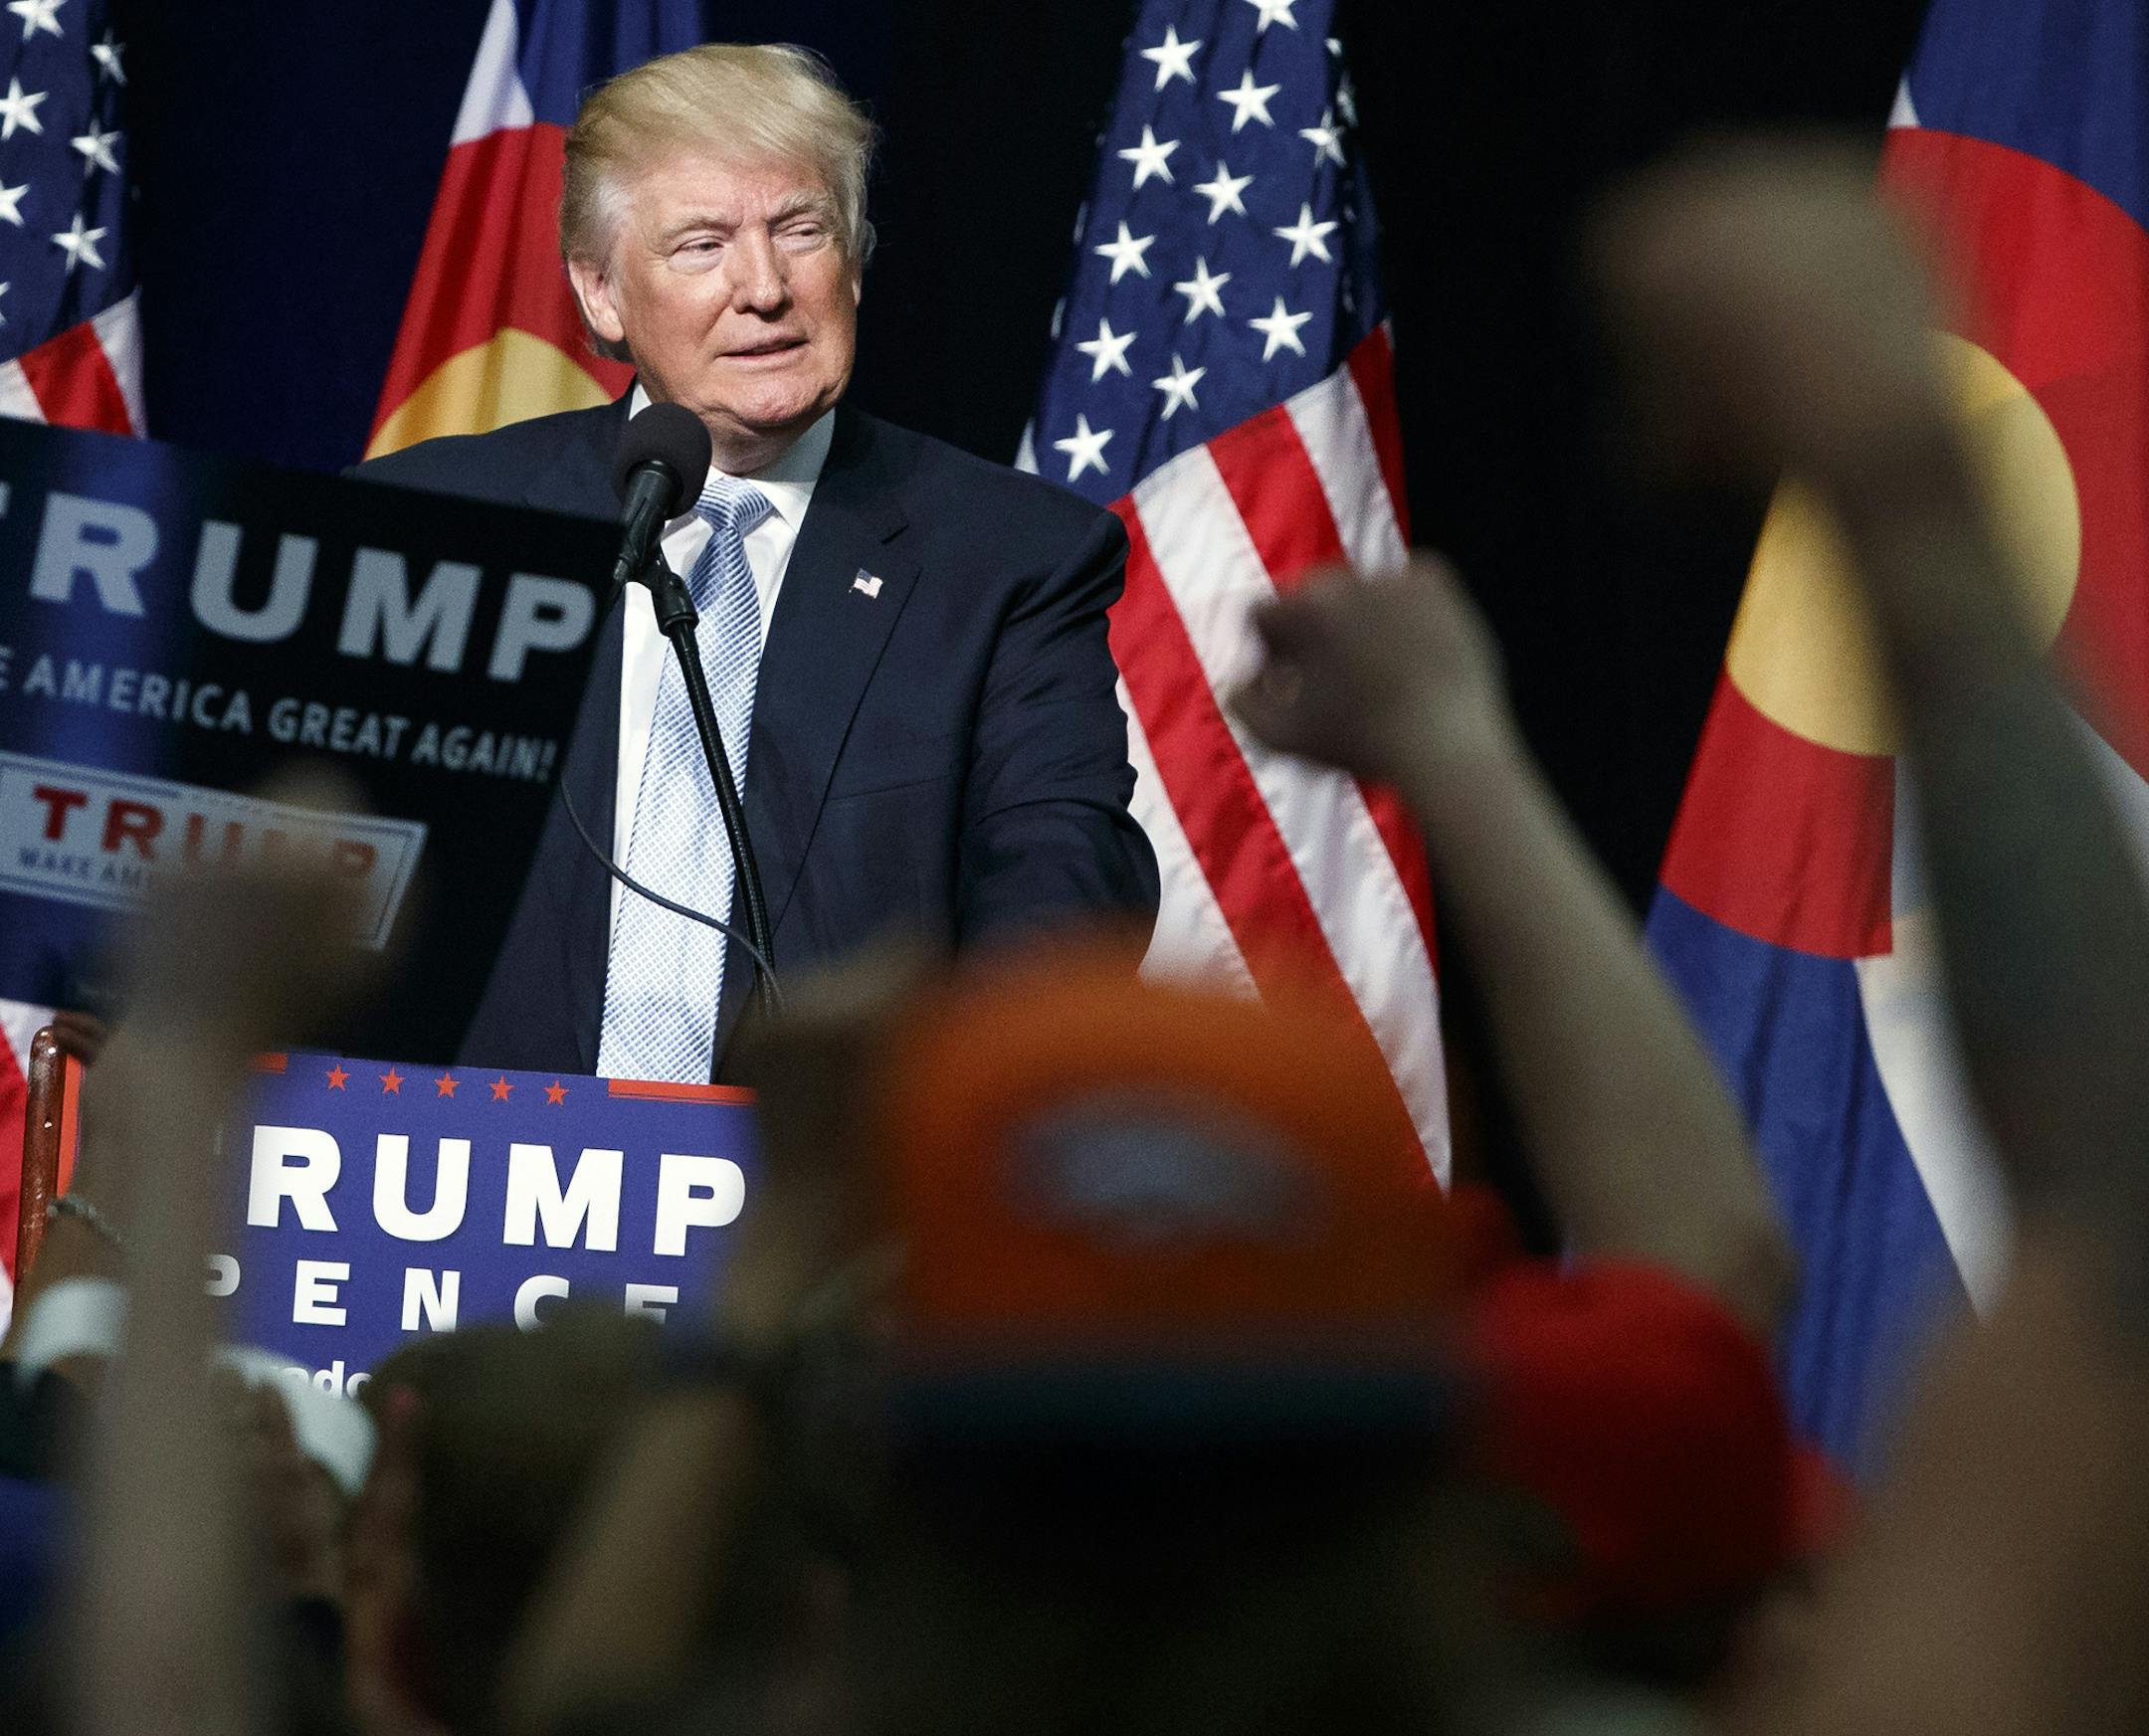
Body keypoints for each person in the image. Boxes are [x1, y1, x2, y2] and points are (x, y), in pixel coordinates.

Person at [358, 43, 1159, 1085]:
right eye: (701, 245)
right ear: (600, 294)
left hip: (828, 1199)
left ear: (856, 263)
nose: (766, 288)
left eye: (802, 230)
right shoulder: (439, 523)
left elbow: (1063, 887)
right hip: (469, 1187)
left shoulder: (1008, 560)